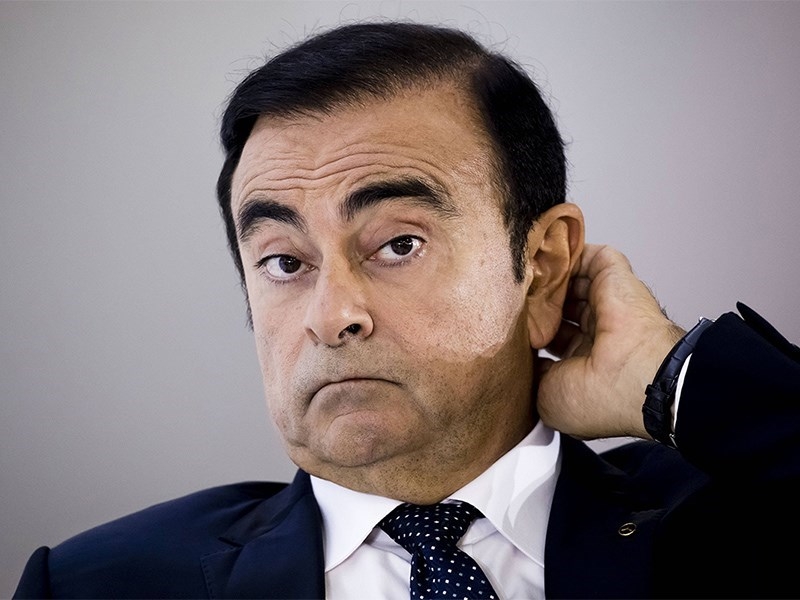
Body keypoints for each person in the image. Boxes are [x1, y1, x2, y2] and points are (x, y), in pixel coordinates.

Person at [13, 21, 800, 600]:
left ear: (542, 266)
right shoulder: (94, 585)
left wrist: (673, 380)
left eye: (397, 245)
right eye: (284, 262)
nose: (332, 316)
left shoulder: (744, 525)